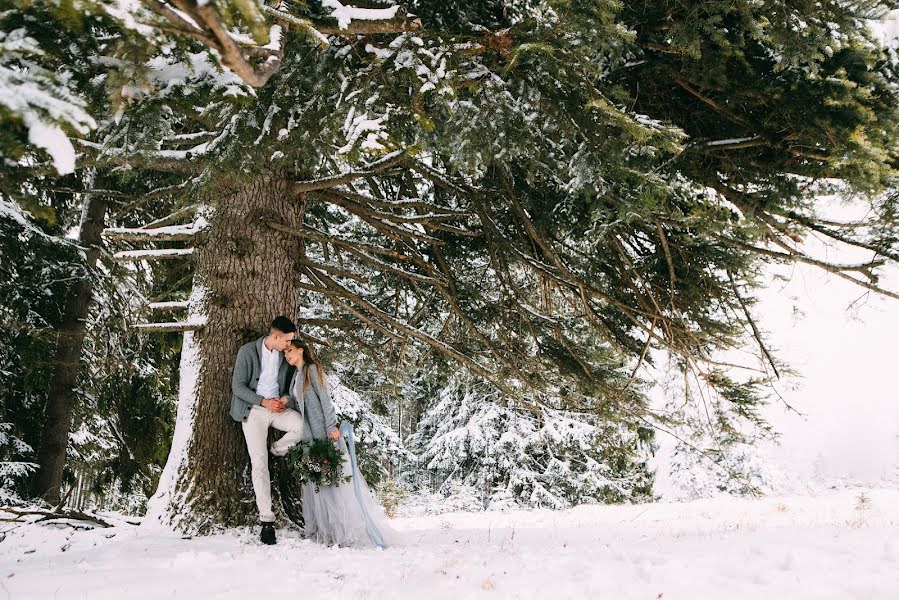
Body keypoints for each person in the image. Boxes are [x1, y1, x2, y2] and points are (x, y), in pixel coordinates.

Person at [283, 338, 398, 548]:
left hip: (322, 433)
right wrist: (286, 402)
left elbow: (325, 400)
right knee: (317, 482)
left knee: (332, 482)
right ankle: (324, 530)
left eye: (289, 350)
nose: (286, 355)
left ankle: (342, 531)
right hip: (309, 436)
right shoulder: (296, 375)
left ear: (300, 350)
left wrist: (332, 428)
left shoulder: (312, 369)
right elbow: (299, 400)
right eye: (284, 352)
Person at [230, 315, 301, 545]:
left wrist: (284, 400)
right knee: (259, 464)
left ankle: (276, 449)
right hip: (253, 410)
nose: (289, 344)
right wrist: (263, 402)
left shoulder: (285, 357)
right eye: (287, 340)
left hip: (277, 409)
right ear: (275, 336)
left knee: (301, 426)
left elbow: (291, 389)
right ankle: (267, 521)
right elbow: (237, 387)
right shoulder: (247, 352)